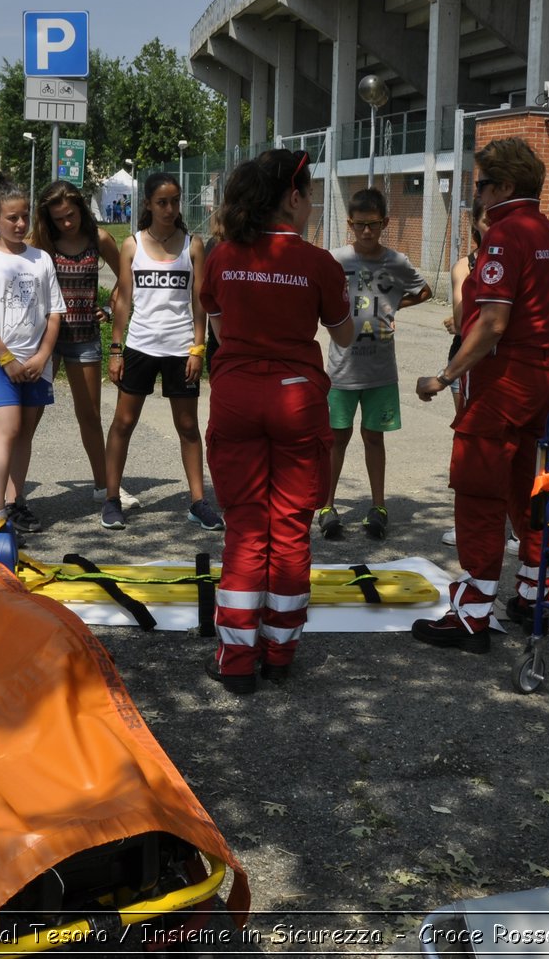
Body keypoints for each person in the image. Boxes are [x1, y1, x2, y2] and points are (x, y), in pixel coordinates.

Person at [200, 149, 353, 693]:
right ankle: (280, 653)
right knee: (289, 528)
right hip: (296, 398)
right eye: (309, 194)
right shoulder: (319, 264)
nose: (311, 205)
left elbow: (218, 325)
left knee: (244, 527)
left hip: (238, 393)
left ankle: (236, 660)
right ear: (293, 197)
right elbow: (344, 336)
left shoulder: (221, 256)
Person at [411, 137, 549, 654]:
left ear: (503, 186)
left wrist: (445, 376)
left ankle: (473, 613)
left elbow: (494, 323)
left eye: (480, 184)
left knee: (479, 493)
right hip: (544, 377)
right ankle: (530, 593)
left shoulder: (503, 237)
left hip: (503, 383)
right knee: (529, 488)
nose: (475, 194)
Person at [101, 173, 222, 531]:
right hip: (139, 345)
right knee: (124, 423)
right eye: (162, 202)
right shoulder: (132, 245)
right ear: (149, 205)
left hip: (180, 348)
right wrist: (115, 349)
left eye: (174, 201)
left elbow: (200, 302)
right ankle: (111, 500)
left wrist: (198, 348)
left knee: (187, 426)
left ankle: (198, 502)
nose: (169, 209)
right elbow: (123, 300)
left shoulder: (193, 245)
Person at [316, 187, 430, 540]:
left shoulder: (396, 262)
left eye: (375, 225)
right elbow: (319, 298)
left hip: (381, 370)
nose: (368, 232)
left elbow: (423, 290)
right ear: (349, 224)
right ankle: (326, 505)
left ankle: (378, 506)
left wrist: (392, 306)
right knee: (337, 438)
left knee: (373, 437)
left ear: (385, 223)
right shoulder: (335, 260)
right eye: (361, 225)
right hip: (341, 369)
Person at [0, 173, 65, 533]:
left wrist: (41, 357)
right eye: (11, 218)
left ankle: (18, 502)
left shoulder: (41, 260)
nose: (20, 224)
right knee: (7, 430)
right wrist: (5, 358)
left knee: (25, 434)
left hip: (36, 363)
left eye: (24, 217)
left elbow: (54, 313)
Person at [27, 179, 139, 512]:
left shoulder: (99, 238)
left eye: (71, 215)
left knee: (89, 415)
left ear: (81, 209)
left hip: (84, 337)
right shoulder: (42, 241)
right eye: (58, 217)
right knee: (28, 417)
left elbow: (126, 276)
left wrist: (108, 307)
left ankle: (105, 487)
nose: (66, 223)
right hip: (44, 337)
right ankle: (12, 489)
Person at [437, 200, 518, 555]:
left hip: (504, 361)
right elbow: (462, 317)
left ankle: (514, 527)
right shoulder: (465, 265)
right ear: (476, 226)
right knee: (470, 445)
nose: (494, 225)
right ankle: (470, 524)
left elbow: (495, 320)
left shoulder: (514, 256)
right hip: (467, 358)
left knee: (511, 448)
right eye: (487, 220)